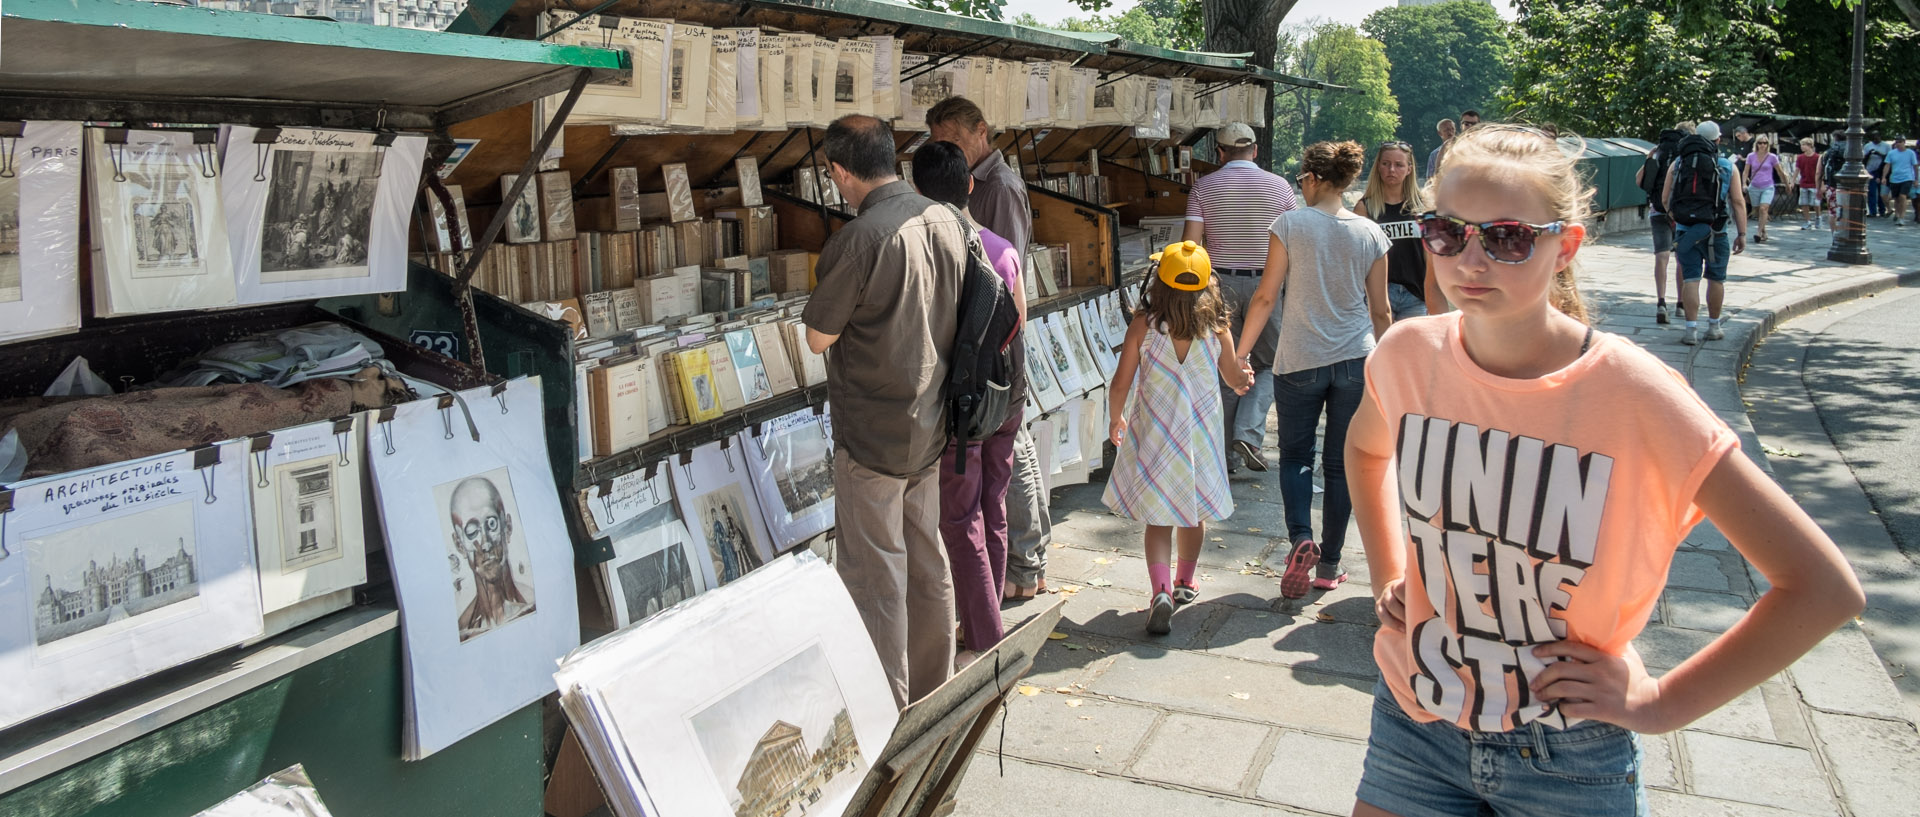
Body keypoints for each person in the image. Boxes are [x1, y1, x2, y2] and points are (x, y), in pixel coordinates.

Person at [1343, 122, 1863, 817]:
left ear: (1566, 246)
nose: (1471, 258)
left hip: (1571, 752)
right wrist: (1390, 583)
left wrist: (1661, 701)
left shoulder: (1637, 393)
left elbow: (1823, 587)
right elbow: (1365, 448)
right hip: (1417, 718)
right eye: (1446, 231)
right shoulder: (1406, 354)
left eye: (1506, 237)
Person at [803, 114, 967, 707]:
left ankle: (886, 705)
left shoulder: (860, 237)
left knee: (878, 578)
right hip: (931, 421)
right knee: (928, 563)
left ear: (840, 172)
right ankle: (933, 687)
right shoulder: (944, 219)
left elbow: (819, 337)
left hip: (874, 431)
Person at [1237, 141, 1392, 600]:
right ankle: (1329, 565)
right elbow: (1381, 311)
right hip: (1355, 358)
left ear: (1314, 179)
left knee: (1295, 456)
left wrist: (1241, 354)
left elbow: (1266, 296)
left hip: (1299, 358)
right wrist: (1389, 367)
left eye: (1302, 178)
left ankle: (1300, 537)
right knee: (1343, 465)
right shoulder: (1370, 233)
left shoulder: (1290, 224)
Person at [923, 96, 1052, 602]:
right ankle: (1020, 567)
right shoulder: (983, 183)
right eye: (938, 146)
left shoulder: (998, 187)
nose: (947, 153)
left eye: (952, 142)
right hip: (994, 353)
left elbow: (1004, 272)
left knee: (1005, 467)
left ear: (981, 132)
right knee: (1004, 466)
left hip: (994, 355)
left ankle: (1023, 565)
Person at [911, 139, 1027, 664]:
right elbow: (1018, 320)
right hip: (1005, 396)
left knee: (959, 521)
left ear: (918, 192)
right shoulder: (1001, 248)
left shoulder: (929, 251)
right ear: (971, 185)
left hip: (959, 408)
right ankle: (990, 609)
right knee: (992, 507)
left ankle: (983, 632)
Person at [1102, 241, 1252, 634]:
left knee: (1158, 518)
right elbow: (1233, 377)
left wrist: (1115, 417)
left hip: (1155, 432)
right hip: (1199, 435)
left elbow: (1121, 382)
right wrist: (1243, 381)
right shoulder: (1216, 329)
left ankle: (1161, 590)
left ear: (1159, 283)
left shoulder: (1144, 326)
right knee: (1194, 510)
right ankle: (1186, 580)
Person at [1181, 121, 1299, 473]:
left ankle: (1224, 456)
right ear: (1256, 150)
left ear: (1219, 152)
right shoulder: (1280, 188)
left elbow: (1190, 245)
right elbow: (1293, 242)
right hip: (1268, 285)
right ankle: (1247, 433)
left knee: (1225, 365)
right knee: (1273, 364)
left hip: (1219, 287)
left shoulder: (1203, 188)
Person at [1664, 120, 1747, 346]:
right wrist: (1742, 233)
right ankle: (1713, 326)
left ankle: (1690, 330)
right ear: (1718, 140)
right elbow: (1738, 202)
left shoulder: (1679, 163)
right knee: (1716, 279)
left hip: (1685, 231)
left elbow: (1665, 199)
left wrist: (1678, 219)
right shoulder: (1728, 166)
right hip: (1716, 230)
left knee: (1690, 278)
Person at [1357, 140, 1441, 320]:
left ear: (1409, 169)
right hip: (1378, 294)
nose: (1391, 170)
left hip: (1415, 294)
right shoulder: (1365, 208)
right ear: (1378, 166)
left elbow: (1432, 261)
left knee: (1412, 348)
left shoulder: (1424, 207)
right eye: (1386, 164)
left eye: (1398, 165)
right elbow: (1360, 259)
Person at [1636, 123, 1691, 324]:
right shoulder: (1685, 155)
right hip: (1679, 213)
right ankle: (1681, 303)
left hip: (1657, 210)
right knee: (1682, 260)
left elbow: (1640, 181)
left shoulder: (1659, 152)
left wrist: (1648, 158)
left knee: (1661, 256)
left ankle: (1661, 302)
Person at [1744, 135, 1782, 243]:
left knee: (1763, 208)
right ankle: (1764, 231)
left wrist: (1787, 183)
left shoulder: (1772, 157)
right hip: (1754, 186)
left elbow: (1779, 171)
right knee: (1757, 210)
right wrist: (1743, 183)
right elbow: (1746, 171)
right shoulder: (1750, 156)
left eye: (1765, 143)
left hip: (1768, 186)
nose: (1762, 145)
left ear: (1768, 145)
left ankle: (1758, 233)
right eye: (1760, 143)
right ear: (1756, 144)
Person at [1885, 135, 1917, 225]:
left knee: (1903, 196)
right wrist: (1884, 177)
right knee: (1896, 199)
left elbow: (1915, 166)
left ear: (1904, 142)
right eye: (1896, 142)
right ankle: (1897, 214)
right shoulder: (1891, 153)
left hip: (1907, 177)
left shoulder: (1910, 153)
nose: (1898, 144)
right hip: (1894, 178)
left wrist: (1916, 179)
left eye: (1900, 142)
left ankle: (1902, 217)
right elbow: (1887, 165)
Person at [1794, 137, 1823, 229]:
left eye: (1804, 145)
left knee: (1816, 203)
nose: (1802, 147)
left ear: (1810, 146)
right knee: (1804, 203)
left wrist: (1821, 183)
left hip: (1814, 183)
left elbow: (1821, 171)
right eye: (1801, 145)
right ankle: (1807, 221)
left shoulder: (1818, 157)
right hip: (1804, 182)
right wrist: (1792, 180)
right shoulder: (1800, 157)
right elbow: (1797, 170)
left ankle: (1818, 217)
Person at [1863, 133, 1890, 218]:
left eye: (1877, 137)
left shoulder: (1886, 146)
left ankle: (1882, 210)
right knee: (1871, 191)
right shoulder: (1867, 146)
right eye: (1874, 138)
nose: (1876, 139)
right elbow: (1863, 158)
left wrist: (1879, 154)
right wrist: (1869, 154)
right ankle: (1872, 211)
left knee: (1881, 192)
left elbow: (1888, 158)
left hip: (1882, 171)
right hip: (1870, 170)